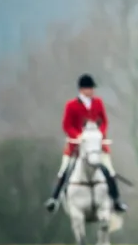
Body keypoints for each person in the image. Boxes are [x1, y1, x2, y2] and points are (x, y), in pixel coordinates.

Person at [45, 74, 128, 213]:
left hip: (97, 147)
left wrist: (99, 134)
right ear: (82, 89)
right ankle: (54, 199)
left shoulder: (98, 103)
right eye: (89, 88)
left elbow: (104, 121)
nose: (91, 91)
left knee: (110, 171)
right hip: (77, 146)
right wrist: (78, 136)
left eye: (92, 88)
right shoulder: (71, 105)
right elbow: (67, 125)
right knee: (64, 170)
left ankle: (116, 200)